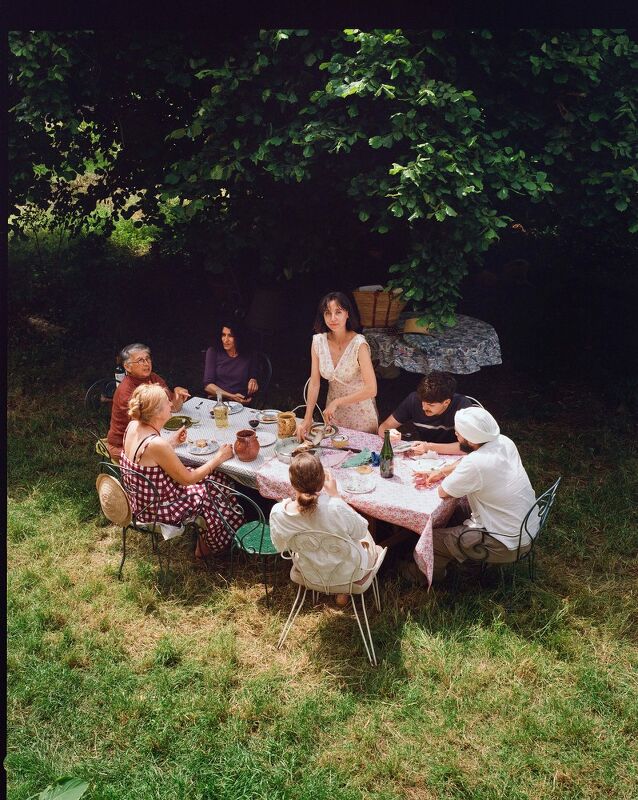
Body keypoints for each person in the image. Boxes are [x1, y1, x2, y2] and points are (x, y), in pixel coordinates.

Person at [413, 407, 538, 583]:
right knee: (458, 508)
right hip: (526, 529)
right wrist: (442, 471)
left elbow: (444, 492)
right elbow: (469, 461)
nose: (456, 433)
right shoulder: (503, 442)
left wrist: (442, 477)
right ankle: (454, 549)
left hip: (504, 543)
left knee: (430, 541)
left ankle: (426, 577)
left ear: (471, 440)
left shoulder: (476, 463)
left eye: (459, 433)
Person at [120, 383, 243, 559]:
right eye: (166, 402)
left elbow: (148, 456)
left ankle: (217, 534)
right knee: (213, 488)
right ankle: (210, 546)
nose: (171, 405)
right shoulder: (156, 443)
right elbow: (188, 479)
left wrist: (172, 442)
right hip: (158, 507)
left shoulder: (133, 426)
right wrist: (219, 458)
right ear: (156, 412)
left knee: (217, 476)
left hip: (142, 499)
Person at [269, 452, 382, 604]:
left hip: (310, 573)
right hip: (351, 574)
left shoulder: (278, 513)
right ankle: (343, 592)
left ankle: (339, 590)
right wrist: (336, 496)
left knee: (336, 537)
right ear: (323, 481)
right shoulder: (335, 507)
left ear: (292, 483)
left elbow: (280, 546)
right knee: (362, 532)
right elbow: (361, 531)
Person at [298, 291, 378, 440]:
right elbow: (315, 383)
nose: (333, 318)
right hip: (334, 416)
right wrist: (308, 417)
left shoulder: (359, 344)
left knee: (362, 461)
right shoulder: (318, 342)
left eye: (338, 312)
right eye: (328, 313)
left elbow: (372, 389)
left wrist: (337, 402)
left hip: (361, 415)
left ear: (347, 314)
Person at [106, 343, 190, 462]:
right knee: (179, 456)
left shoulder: (153, 378)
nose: (146, 363)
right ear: (127, 367)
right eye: (140, 360)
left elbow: (173, 407)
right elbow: (141, 429)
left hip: (150, 436)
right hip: (125, 446)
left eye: (147, 359)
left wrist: (178, 395)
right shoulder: (127, 391)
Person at [378, 371, 476, 455]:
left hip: (454, 455)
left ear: (446, 402)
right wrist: (388, 433)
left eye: (430, 405)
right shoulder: (413, 399)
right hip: (424, 454)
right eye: (422, 402)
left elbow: (469, 446)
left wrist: (429, 447)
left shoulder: (462, 406)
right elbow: (384, 426)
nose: (424, 407)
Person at [203, 322, 259, 404]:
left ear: (239, 337)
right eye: (223, 335)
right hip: (217, 399)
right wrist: (231, 396)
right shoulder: (213, 351)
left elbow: (253, 375)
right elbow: (208, 386)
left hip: (240, 401)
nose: (225, 340)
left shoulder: (249, 354)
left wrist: (253, 380)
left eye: (230, 336)